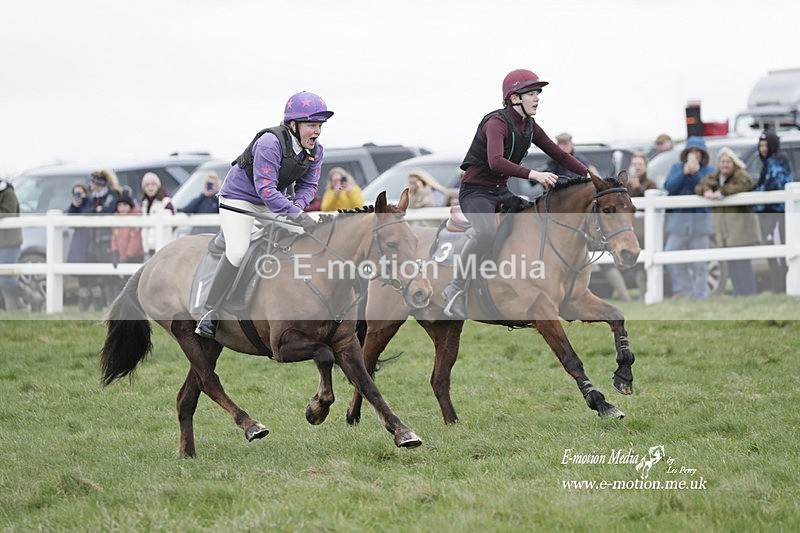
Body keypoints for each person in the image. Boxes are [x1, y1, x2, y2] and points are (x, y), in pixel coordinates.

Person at [441, 69, 590, 319]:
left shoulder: (529, 125)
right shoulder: (496, 123)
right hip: (475, 193)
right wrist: (535, 175)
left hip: (500, 192)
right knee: (487, 232)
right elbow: (496, 161)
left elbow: (560, 155)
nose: (537, 98)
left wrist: (590, 176)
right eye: (531, 93)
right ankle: (454, 290)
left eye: (538, 93)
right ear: (514, 98)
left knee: (535, 221)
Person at [195, 91, 332, 338]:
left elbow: (309, 186)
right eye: (312, 125)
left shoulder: (316, 151)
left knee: (311, 237)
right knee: (237, 250)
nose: (317, 131)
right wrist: (297, 215)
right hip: (240, 199)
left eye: (320, 126)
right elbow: (266, 190)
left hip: (273, 202)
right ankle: (209, 312)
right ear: (293, 124)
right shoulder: (269, 142)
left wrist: (298, 209)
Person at [695, 147, 760, 297]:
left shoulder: (741, 175)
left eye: (728, 162)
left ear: (733, 162)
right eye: (722, 162)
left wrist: (722, 192)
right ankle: (738, 294)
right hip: (726, 231)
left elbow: (745, 185)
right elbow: (700, 186)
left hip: (742, 229)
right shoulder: (716, 177)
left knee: (743, 264)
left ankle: (749, 294)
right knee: (732, 265)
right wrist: (707, 191)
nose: (725, 165)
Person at [663, 136, 714, 299]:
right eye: (691, 152)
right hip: (679, 224)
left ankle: (700, 297)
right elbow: (669, 187)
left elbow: (706, 188)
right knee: (670, 255)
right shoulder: (677, 168)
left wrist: (696, 174)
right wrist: (684, 173)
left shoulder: (709, 171)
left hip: (700, 224)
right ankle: (685, 291)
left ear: (703, 154)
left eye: (698, 152)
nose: (695, 155)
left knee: (700, 264)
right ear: (686, 153)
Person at [753, 130, 792, 294]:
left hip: (777, 214)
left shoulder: (776, 162)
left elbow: (770, 187)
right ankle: (779, 288)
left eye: (766, 145)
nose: (763, 149)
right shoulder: (769, 162)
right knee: (775, 252)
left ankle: (780, 288)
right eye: (761, 145)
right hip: (773, 214)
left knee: (778, 252)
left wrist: (754, 192)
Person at [0, 177, 37, 311]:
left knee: (6, 278)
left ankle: (31, 296)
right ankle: (15, 309)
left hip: (9, 242)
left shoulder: (8, 193)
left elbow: (9, 213)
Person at [140, 172, 175, 257]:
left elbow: (172, 223)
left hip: (162, 245)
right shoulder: (145, 203)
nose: (150, 187)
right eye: (147, 185)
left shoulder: (165, 202)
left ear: (158, 186)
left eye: (153, 184)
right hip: (148, 246)